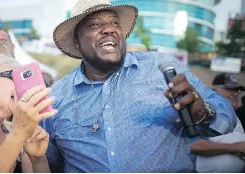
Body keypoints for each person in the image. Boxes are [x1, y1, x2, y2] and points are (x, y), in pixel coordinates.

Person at [41, 0, 236, 172]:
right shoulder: (56, 98)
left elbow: (227, 118)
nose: (109, 29)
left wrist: (203, 112)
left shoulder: (163, 69)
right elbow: (50, 162)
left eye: (114, 22)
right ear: (76, 41)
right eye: (94, 24)